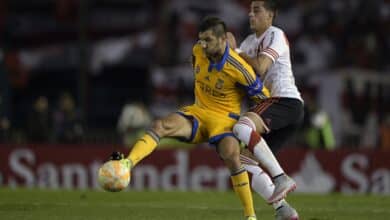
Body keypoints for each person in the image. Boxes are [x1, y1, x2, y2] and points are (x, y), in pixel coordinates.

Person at [109, 16, 269, 220]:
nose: (202, 44)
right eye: (200, 39)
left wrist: (251, 128)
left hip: (225, 119)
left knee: (231, 155)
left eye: (208, 40)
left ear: (222, 41)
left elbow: (264, 100)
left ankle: (250, 215)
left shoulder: (239, 69)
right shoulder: (197, 51)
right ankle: (126, 165)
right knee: (160, 125)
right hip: (199, 112)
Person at [228, 0, 303, 218]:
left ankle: (280, 177)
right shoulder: (250, 41)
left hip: (286, 101)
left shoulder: (275, 34)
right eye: (250, 11)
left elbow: (260, 67)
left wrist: (236, 52)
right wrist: (226, 52)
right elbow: (240, 74)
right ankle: (284, 211)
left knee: (242, 127)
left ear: (271, 15)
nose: (251, 15)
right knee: (244, 161)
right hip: (273, 107)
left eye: (257, 10)